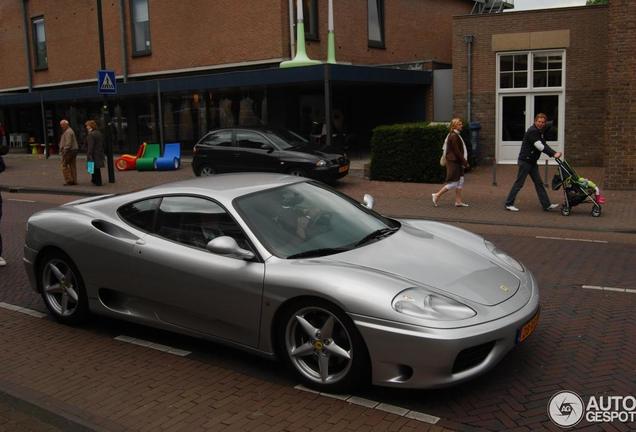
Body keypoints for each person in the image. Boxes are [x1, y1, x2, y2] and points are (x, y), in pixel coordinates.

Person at [505, 113, 562, 212]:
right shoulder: (533, 132)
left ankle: (546, 205)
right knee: (519, 183)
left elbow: (544, 144)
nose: (541, 124)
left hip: (532, 162)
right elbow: (540, 146)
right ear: (535, 121)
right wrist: (553, 154)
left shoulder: (539, 132)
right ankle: (508, 204)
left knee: (539, 183)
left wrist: (554, 153)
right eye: (539, 122)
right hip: (525, 162)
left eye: (542, 122)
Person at [432, 118, 470, 207]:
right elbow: (457, 152)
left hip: (457, 161)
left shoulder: (456, 135)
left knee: (461, 181)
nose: (462, 126)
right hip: (454, 162)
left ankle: (458, 201)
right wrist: (465, 162)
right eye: (460, 124)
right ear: (455, 126)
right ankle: (436, 195)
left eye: (461, 124)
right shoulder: (453, 136)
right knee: (453, 183)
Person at [59, 119, 79, 185]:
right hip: (73, 150)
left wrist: (64, 150)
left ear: (66, 124)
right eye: (61, 125)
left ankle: (69, 180)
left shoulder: (68, 132)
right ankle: (74, 180)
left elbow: (68, 143)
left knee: (64, 165)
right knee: (72, 165)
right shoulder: (69, 130)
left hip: (69, 151)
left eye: (62, 125)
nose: (61, 126)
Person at [85, 120, 104, 186]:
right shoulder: (98, 133)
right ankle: (94, 180)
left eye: (87, 126)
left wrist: (89, 154)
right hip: (99, 152)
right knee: (96, 167)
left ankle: (96, 181)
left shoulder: (91, 134)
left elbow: (90, 146)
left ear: (91, 126)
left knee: (93, 167)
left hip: (93, 153)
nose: (86, 127)